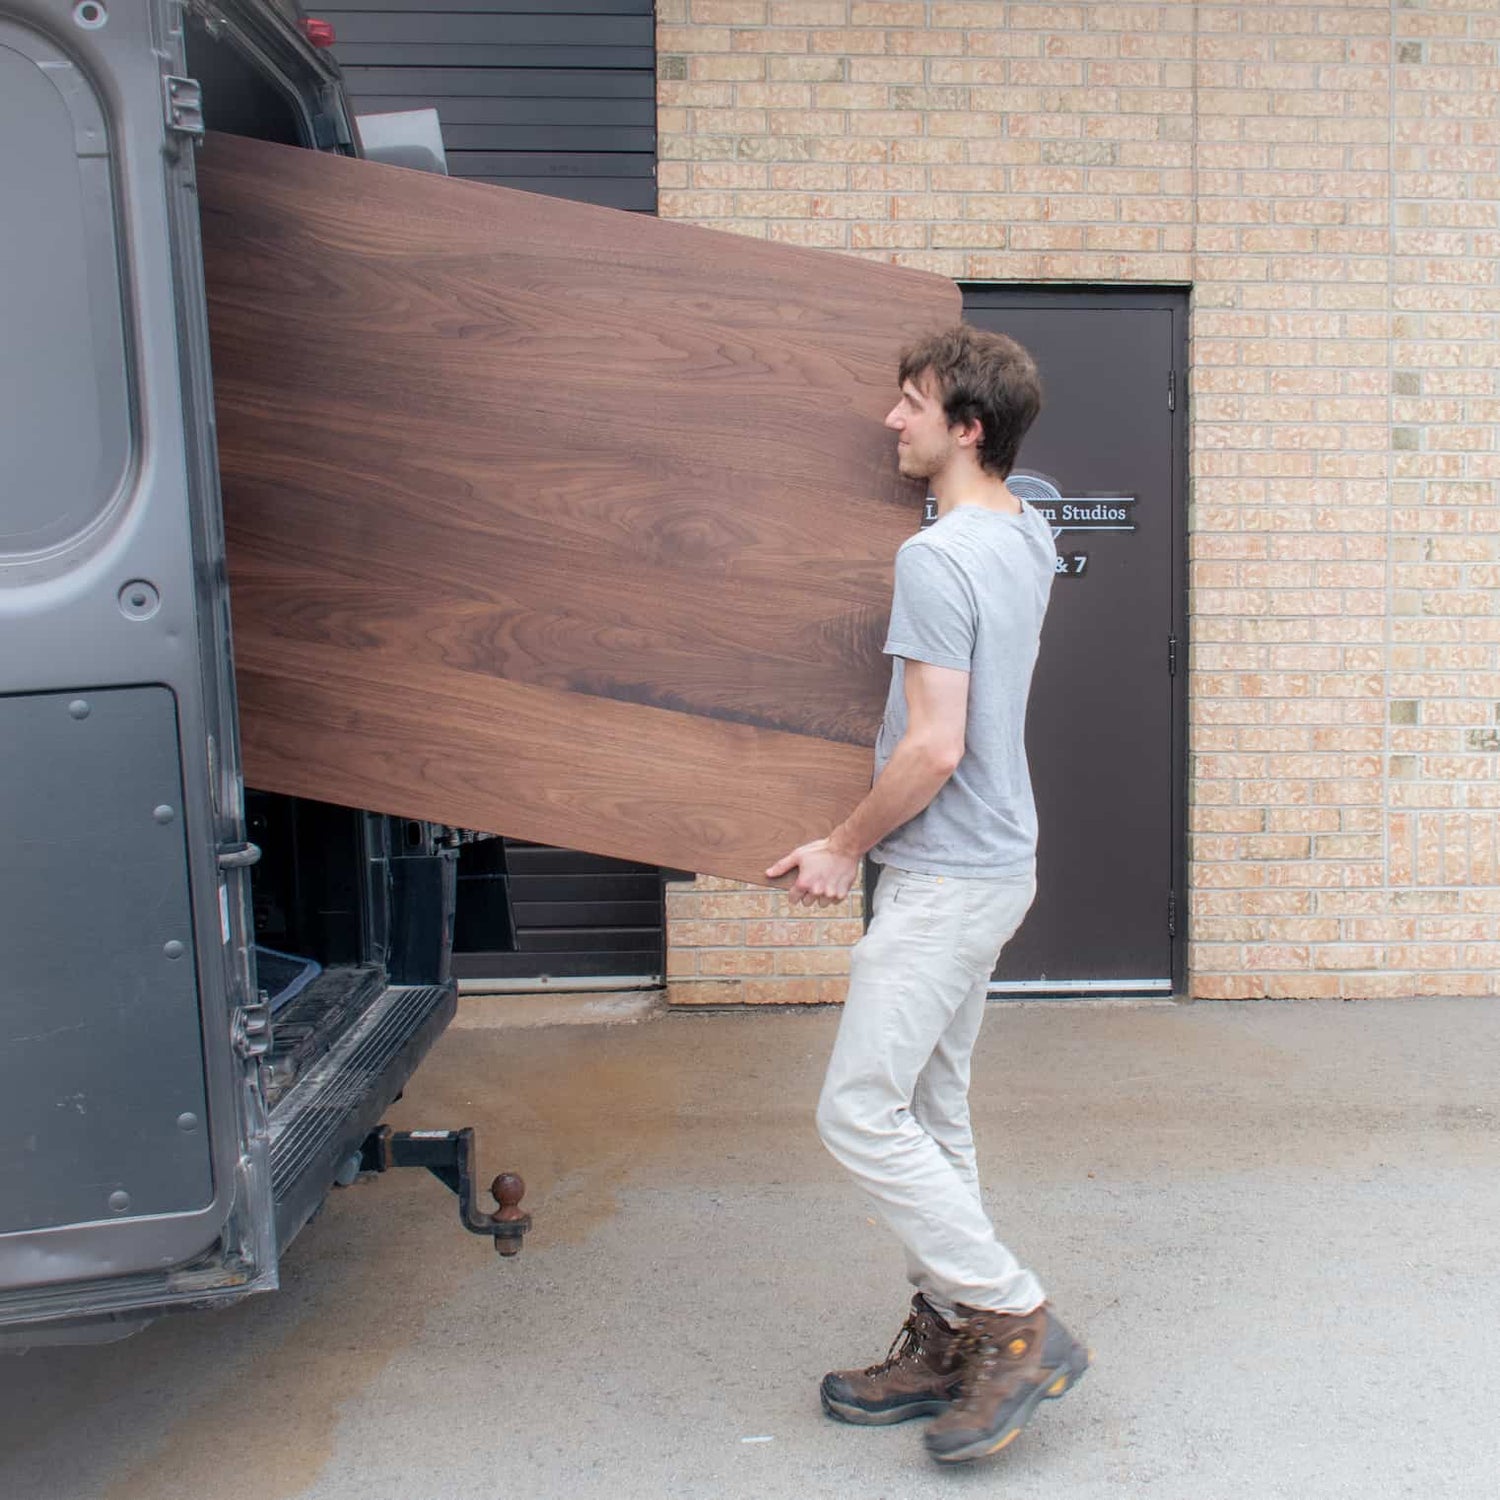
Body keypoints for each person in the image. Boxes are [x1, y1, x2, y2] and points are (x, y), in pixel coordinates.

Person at [765, 325, 1089, 1466]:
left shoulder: (937, 557)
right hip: (995, 864)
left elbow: (933, 746)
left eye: (910, 403)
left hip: (947, 872)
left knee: (858, 1110)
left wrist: (842, 846)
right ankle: (948, 1331)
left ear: (966, 429)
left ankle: (1014, 1319)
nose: (888, 421)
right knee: (931, 1109)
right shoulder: (1026, 530)